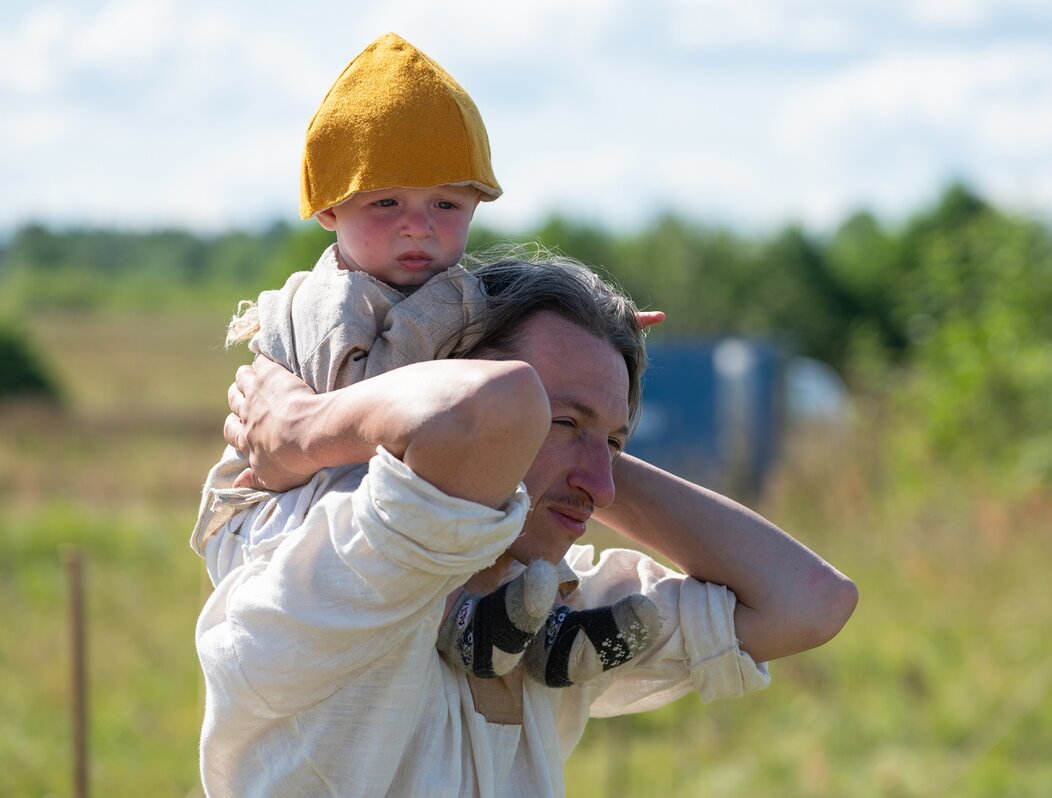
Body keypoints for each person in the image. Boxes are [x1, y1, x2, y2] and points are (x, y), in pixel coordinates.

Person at [197, 255, 859, 796]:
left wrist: (586, 437)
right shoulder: (332, 573)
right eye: (559, 422)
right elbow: (487, 410)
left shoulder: (551, 605)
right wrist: (309, 427)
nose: (600, 488)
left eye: (617, 447)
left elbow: (811, 601)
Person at [190, 33, 659, 687]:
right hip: (279, 524)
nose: (420, 226)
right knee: (455, 469)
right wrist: (458, 304)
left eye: (446, 204)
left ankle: (541, 623)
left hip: (367, 513)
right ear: (329, 206)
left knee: (500, 475)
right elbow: (364, 396)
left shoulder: (441, 291)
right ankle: (474, 622)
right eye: (386, 202)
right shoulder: (328, 300)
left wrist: (581, 325)